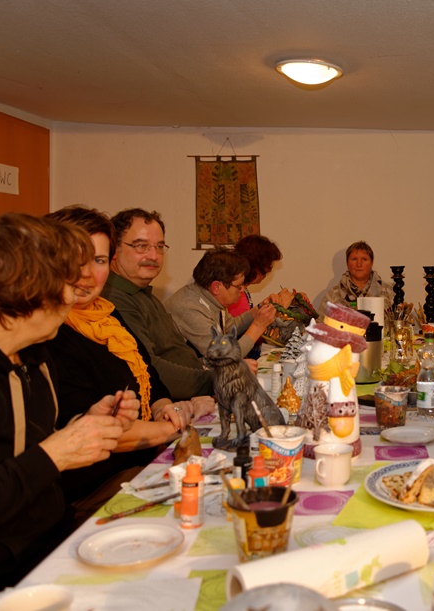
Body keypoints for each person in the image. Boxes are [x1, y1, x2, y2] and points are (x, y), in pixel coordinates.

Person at [0, 213, 137, 610]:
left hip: (50, 546)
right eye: (69, 282)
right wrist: (53, 455)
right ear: (29, 290)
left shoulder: (33, 353)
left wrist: (84, 428)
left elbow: (16, 455)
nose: (76, 295)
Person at [43, 206, 216, 518]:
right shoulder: (49, 333)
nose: (88, 273)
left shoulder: (106, 314)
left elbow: (148, 371)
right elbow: (94, 432)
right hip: (94, 488)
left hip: (143, 460)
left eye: (98, 260)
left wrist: (164, 407)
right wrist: (174, 427)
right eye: (76, 259)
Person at [101, 208, 213, 398]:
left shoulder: (144, 294)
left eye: (159, 246)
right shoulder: (113, 299)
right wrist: (218, 381)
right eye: (141, 246)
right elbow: (149, 368)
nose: (154, 256)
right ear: (113, 249)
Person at [166, 248, 278, 370]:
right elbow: (226, 357)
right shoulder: (190, 309)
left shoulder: (210, 298)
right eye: (238, 286)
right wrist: (258, 326)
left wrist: (260, 309)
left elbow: (232, 326)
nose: (242, 290)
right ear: (216, 287)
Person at [322, 240, 394, 313]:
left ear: (371, 263)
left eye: (364, 259)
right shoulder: (333, 294)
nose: (359, 264)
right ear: (347, 263)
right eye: (354, 259)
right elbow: (321, 320)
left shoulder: (388, 292)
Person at [227, 234, 288, 317]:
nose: (269, 270)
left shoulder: (240, 290)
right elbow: (252, 324)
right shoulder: (237, 297)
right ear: (257, 267)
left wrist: (271, 304)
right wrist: (280, 308)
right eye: (268, 265)